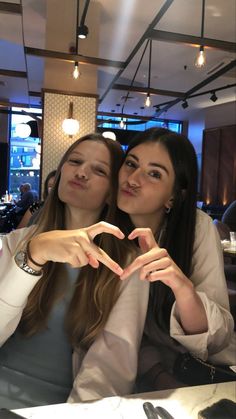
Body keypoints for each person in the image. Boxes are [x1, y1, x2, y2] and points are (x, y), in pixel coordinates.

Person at [0, 133, 149, 409]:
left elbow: (111, 370)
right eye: (75, 161)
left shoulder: (126, 264)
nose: (81, 173)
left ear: (111, 193)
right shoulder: (17, 242)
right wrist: (34, 256)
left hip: (62, 408)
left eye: (99, 170)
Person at [116, 127, 235, 391]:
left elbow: (217, 338)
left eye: (154, 174)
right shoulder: (106, 230)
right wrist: (158, 374)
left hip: (206, 377)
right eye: (131, 164)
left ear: (174, 196)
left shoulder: (195, 228)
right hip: (137, 375)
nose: (133, 179)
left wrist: (182, 288)